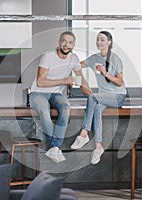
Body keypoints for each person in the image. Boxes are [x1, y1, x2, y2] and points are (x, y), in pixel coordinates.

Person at [29, 31, 91, 163]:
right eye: (64, 41)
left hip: (55, 94)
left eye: (70, 42)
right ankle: (55, 146)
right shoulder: (48, 57)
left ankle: (55, 148)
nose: (66, 44)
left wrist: (93, 97)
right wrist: (64, 80)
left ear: (73, 45)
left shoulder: (73, 58)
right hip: (38, 92)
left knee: (65, 106)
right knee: (44, 110)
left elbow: (81, 80)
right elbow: (40, 81)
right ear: (59, 42)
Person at [70, 31, 127, 164]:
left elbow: (120, 82)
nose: (99, 42)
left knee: (92, 97)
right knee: (96, 110)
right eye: (97, 40)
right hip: (103, 97)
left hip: (117, 96)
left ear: (109, 42)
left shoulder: (115, 59)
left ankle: (84, 133)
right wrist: (69, 60)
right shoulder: (94, 58)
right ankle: (98, 146)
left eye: (102, 39)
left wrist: (105, 73)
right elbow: (77, 65)